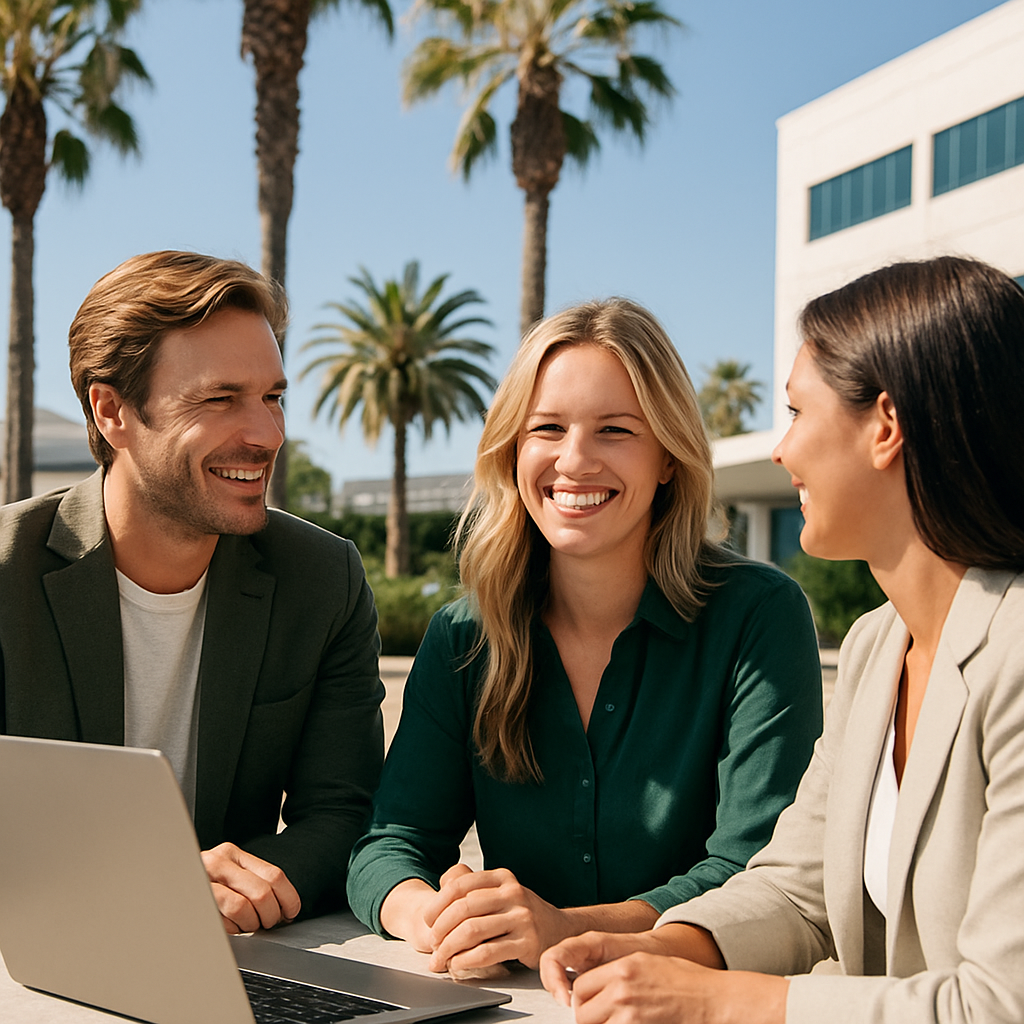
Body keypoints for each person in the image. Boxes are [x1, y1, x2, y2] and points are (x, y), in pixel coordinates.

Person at [540, 256, 1024, 1024]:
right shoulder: (876, 646)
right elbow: (798, 889)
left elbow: (1000, 1005)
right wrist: (664, 949)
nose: (780, 450)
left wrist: (717, 1000)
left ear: (886, 427)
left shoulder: (1017, 656)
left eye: (798, 414)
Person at [346, 298, 822, 976]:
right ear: (512, 451)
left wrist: (566, 929)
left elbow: (755, 874)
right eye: (547, 428)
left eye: (615, 431)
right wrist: (437, 917)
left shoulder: (758, 617)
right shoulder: (462, 638)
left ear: (667, 457)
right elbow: (389, 844)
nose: (574, 461)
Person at [0, 250, 384, 936]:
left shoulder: (322, 580)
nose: (268, 435)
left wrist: (256, 885)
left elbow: (345, 813)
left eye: (272, 397)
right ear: (113, 411)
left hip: (228, 956)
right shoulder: (7, 574)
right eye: (219, 398)